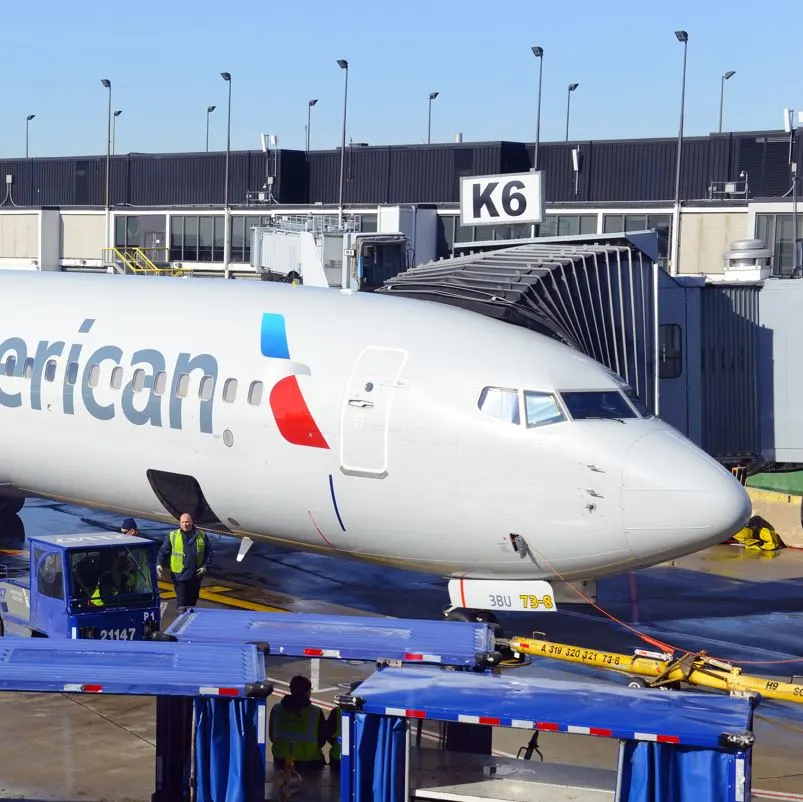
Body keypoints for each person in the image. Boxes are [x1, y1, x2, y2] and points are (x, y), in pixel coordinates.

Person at [269, 675, 327, 774]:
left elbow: (272, 736)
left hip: (281, 758)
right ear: (308, 692)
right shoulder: (315, 711)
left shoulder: (276, 709)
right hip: (309, 760)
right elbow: (321, 741)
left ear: (291, 689)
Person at [156, 512, 211, 611]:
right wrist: (159, 564)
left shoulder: (201, 535)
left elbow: (209, 553)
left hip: (195, 576)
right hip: (179, 576)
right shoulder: (173, 536)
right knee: (182, 603)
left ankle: (187, 621)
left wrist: (204, 567)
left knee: (192, 602)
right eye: (183, 522)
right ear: (180, 523)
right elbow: (163, 551)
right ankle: (180, 622)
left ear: (192, 522)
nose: (185, 524)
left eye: (187, 522)